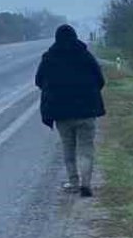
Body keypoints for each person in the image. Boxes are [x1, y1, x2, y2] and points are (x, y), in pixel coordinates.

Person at [35, 24, 105, 198]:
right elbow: (100, 79)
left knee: (69, 148)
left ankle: (73, 183)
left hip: (61, 113)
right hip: (87, 112)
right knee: (86, 149)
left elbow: (38, 81)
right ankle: (86, 184)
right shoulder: (85, 55)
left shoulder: (50, 57)